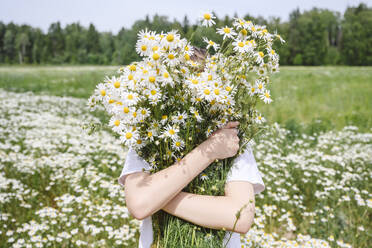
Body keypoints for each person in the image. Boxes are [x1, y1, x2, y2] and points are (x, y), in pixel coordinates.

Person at [118, 121, 265, 248]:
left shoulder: (231, 138)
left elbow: (240, 217)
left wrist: (158, 196)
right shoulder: (145, 133)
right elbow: (139, 204)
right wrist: (210, 150)